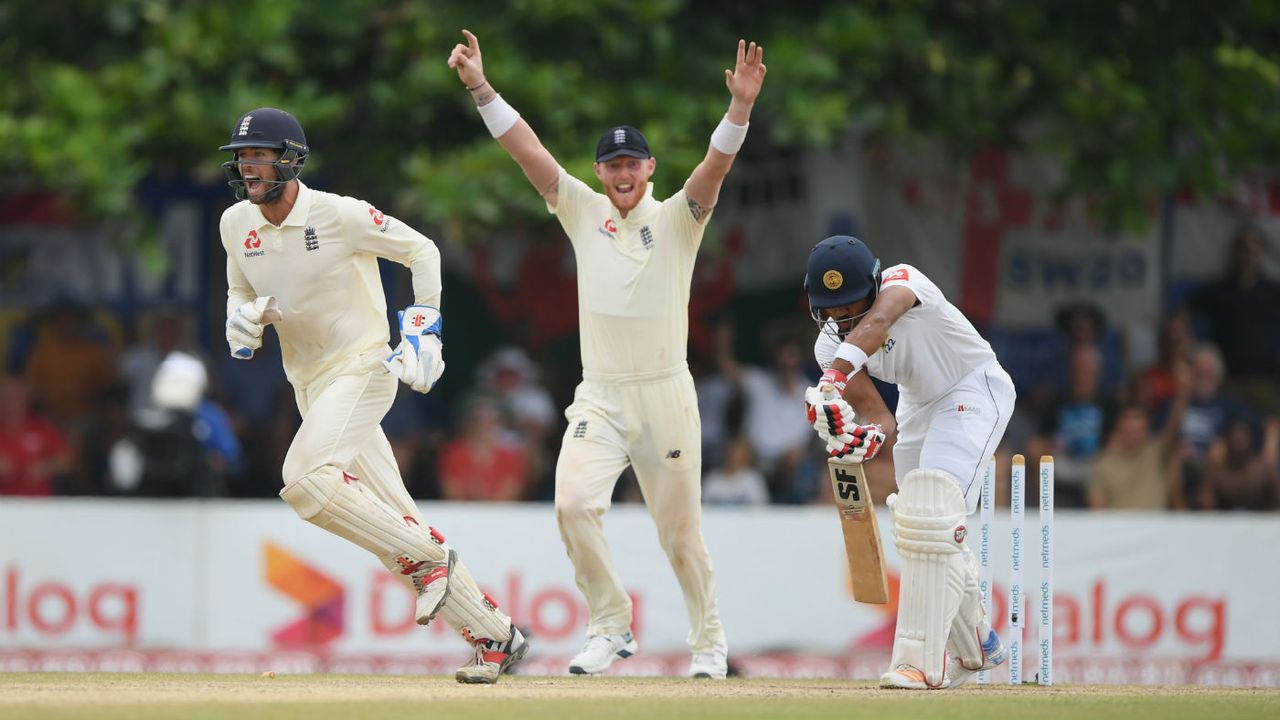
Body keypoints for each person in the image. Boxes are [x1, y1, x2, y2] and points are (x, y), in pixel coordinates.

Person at [448, 29, 767, 679]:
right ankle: (610, 625)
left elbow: (715, 167)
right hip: (602, 393)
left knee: (680, 535)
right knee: (571, 506)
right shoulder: (580, 208)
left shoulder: (681, 217)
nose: (623, 174)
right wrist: (481, 86)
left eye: (633, 164)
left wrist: (740, 109)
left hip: (666, 391)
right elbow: (527, 151)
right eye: (612, 165)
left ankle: (708, 641)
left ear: (650, 170)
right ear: (600, 172)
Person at [216, 107, 525, 683]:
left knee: (306, 481)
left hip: (362, 368)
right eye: (242, 157)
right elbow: (239, 286)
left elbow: (423, 250)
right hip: (309, 383)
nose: (248, 166)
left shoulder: (339, 215)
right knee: (394, 523)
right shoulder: (237, 224)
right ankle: (495, 637)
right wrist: (241, 316)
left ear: (291, 159)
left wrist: (424, 323)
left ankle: (431, 558)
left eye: (259, 155)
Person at [801, 235, 1016, 689]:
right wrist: (860, 437)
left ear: (873, 283)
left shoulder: (903, 282)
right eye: (829, 308)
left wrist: (831, 381)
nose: (839, 317)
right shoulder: (828, 347)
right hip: (917, 407)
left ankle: (920, 663)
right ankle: (979, 642)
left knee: (932, 511)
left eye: (847, 305)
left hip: (973, 387)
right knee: (919, 528)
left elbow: (878, 319)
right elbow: (880, 417)